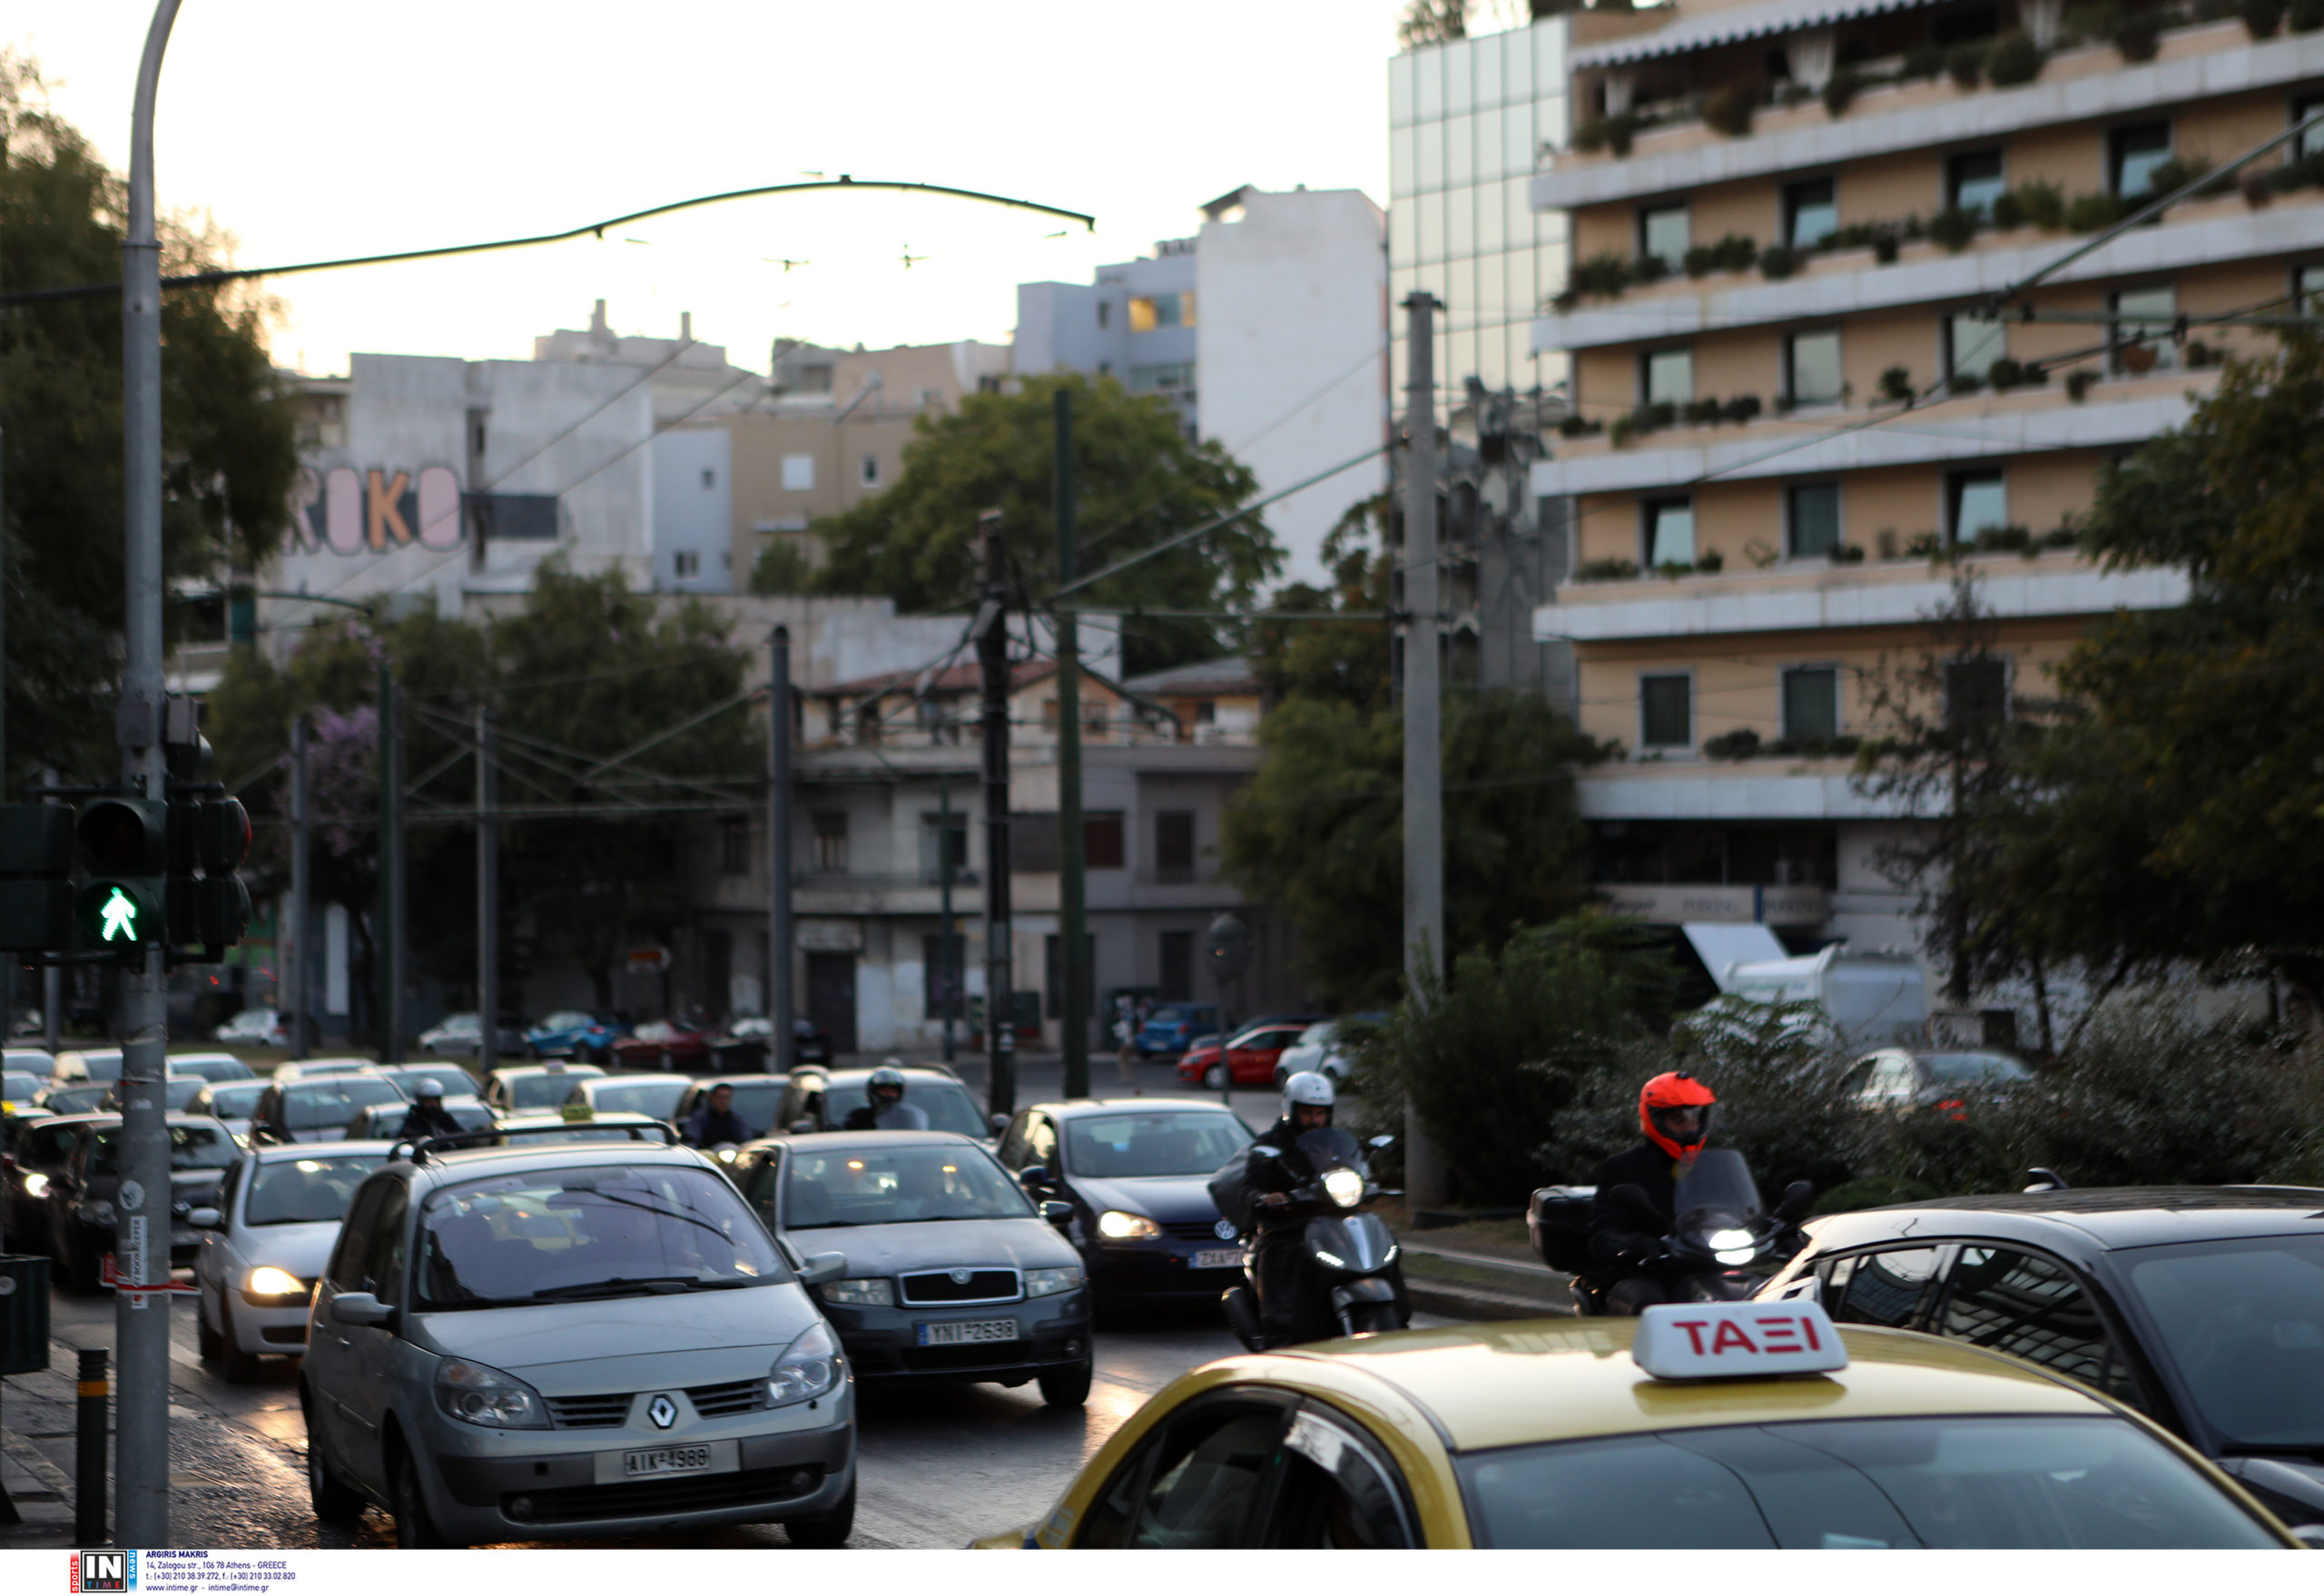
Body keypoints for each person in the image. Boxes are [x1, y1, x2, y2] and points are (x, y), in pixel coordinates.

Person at [1586, 1070, 1718, 1315]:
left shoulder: (1714, 1168)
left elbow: (1741, 1211)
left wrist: (1777, 1228)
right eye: (1679, 1120)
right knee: (1651, 1307)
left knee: (1769, 1291)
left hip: (1708, 1268)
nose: (1690, 1127)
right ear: (1655, 1119)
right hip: (1645, 1273)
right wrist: (1636, 1244)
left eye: (1695, 1118)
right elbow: (1601, 1236)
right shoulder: (1624, 1168)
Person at [1245, 1071, 1339, 1347]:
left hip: (1331, 1226)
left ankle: (1395, 1318)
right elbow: (1250, 1188)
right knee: (1283, 1267)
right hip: (1288, 1228)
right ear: (1292, 1110)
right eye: (1308, 1113)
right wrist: (1265, 1198)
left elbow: (1357, 1169)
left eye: (1321, 1113)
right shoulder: (1268, 1145)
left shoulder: (1333, 1143)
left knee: (1384, 1241)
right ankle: (1280, 1344)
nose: (1315, 1120)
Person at [842, 1063, 928, 1130]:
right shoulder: (858, 1117)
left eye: (893, 1092)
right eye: (885, 1091)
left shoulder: (909, 1116)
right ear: (873, 1092)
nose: (889, 1095)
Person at [683, 1081, 753, 1148]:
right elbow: (691, 1139)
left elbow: (746, 1140)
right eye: (720, 1098)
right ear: (712, 1098)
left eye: (727, 1098)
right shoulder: (700, 1118)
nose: (724, 1102)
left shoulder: (737, 1120)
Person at [396, 1079, 464, 1142]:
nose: (433, 1104)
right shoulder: (412, 1122)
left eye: (435, 1100)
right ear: (420, 1101)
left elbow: (461, 1135)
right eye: (428, 1101)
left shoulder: (444, 1117)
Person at [1113, 997, 1141, 1094]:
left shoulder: (1126, 1015)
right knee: (1124, 1059)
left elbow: (1125, 1030)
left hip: (1126, 1040)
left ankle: (1127, 1076)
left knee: (1122, 1058)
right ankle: (1128, 1076)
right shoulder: (1129, 1014)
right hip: (1127, 1040)